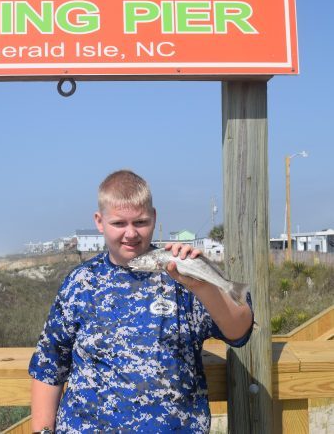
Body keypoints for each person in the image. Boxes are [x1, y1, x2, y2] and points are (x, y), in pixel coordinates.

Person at [29, 170, 253, 433]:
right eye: (119, 224)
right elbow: (49, 365)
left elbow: (240, 331)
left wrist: (202, 284)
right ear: (99, 222)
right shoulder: (80, 283)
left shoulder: (181, 273)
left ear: (154, 218)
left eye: (141, 222)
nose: (131, 233)